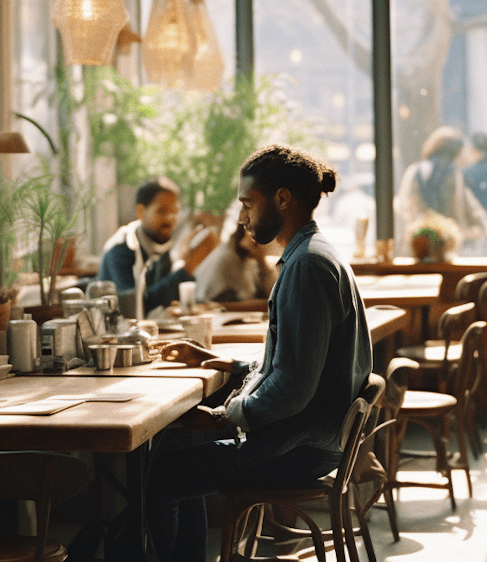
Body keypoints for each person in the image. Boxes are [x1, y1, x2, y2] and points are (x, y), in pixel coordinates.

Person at [146, 145, 373, 562]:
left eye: (248, 204)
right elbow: (299, 363)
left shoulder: (306, 266)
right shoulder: (312, 254)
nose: (244, 217)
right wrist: (228, 365)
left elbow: (293, 389)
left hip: (299, 447)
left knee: (159, 475)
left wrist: (222, 416)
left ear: (282, 199)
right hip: (313, 437)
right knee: (176, 460)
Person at [97, 177, 218, 316]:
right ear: (141, 212)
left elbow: (168, 299)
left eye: (175, 212)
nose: (170, 219)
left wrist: (183, 261)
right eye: (161, 211)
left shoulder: (159, 244)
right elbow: (137, 308)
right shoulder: (121, 249)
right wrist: (189, 266)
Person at [396, 126, 487, 249]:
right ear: (453, 153)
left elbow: (403, 206)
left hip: (416, 244)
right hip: (446, 245)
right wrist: (485, 228)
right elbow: (462, 208)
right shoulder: (453, 175)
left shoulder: (413, 171)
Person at [193, 222, 278, 303]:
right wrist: (261, 258)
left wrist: (261, 259)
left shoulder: (244, 256)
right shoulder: (229, 257)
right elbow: (251, 298)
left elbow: (272, 292)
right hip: (210, 307)